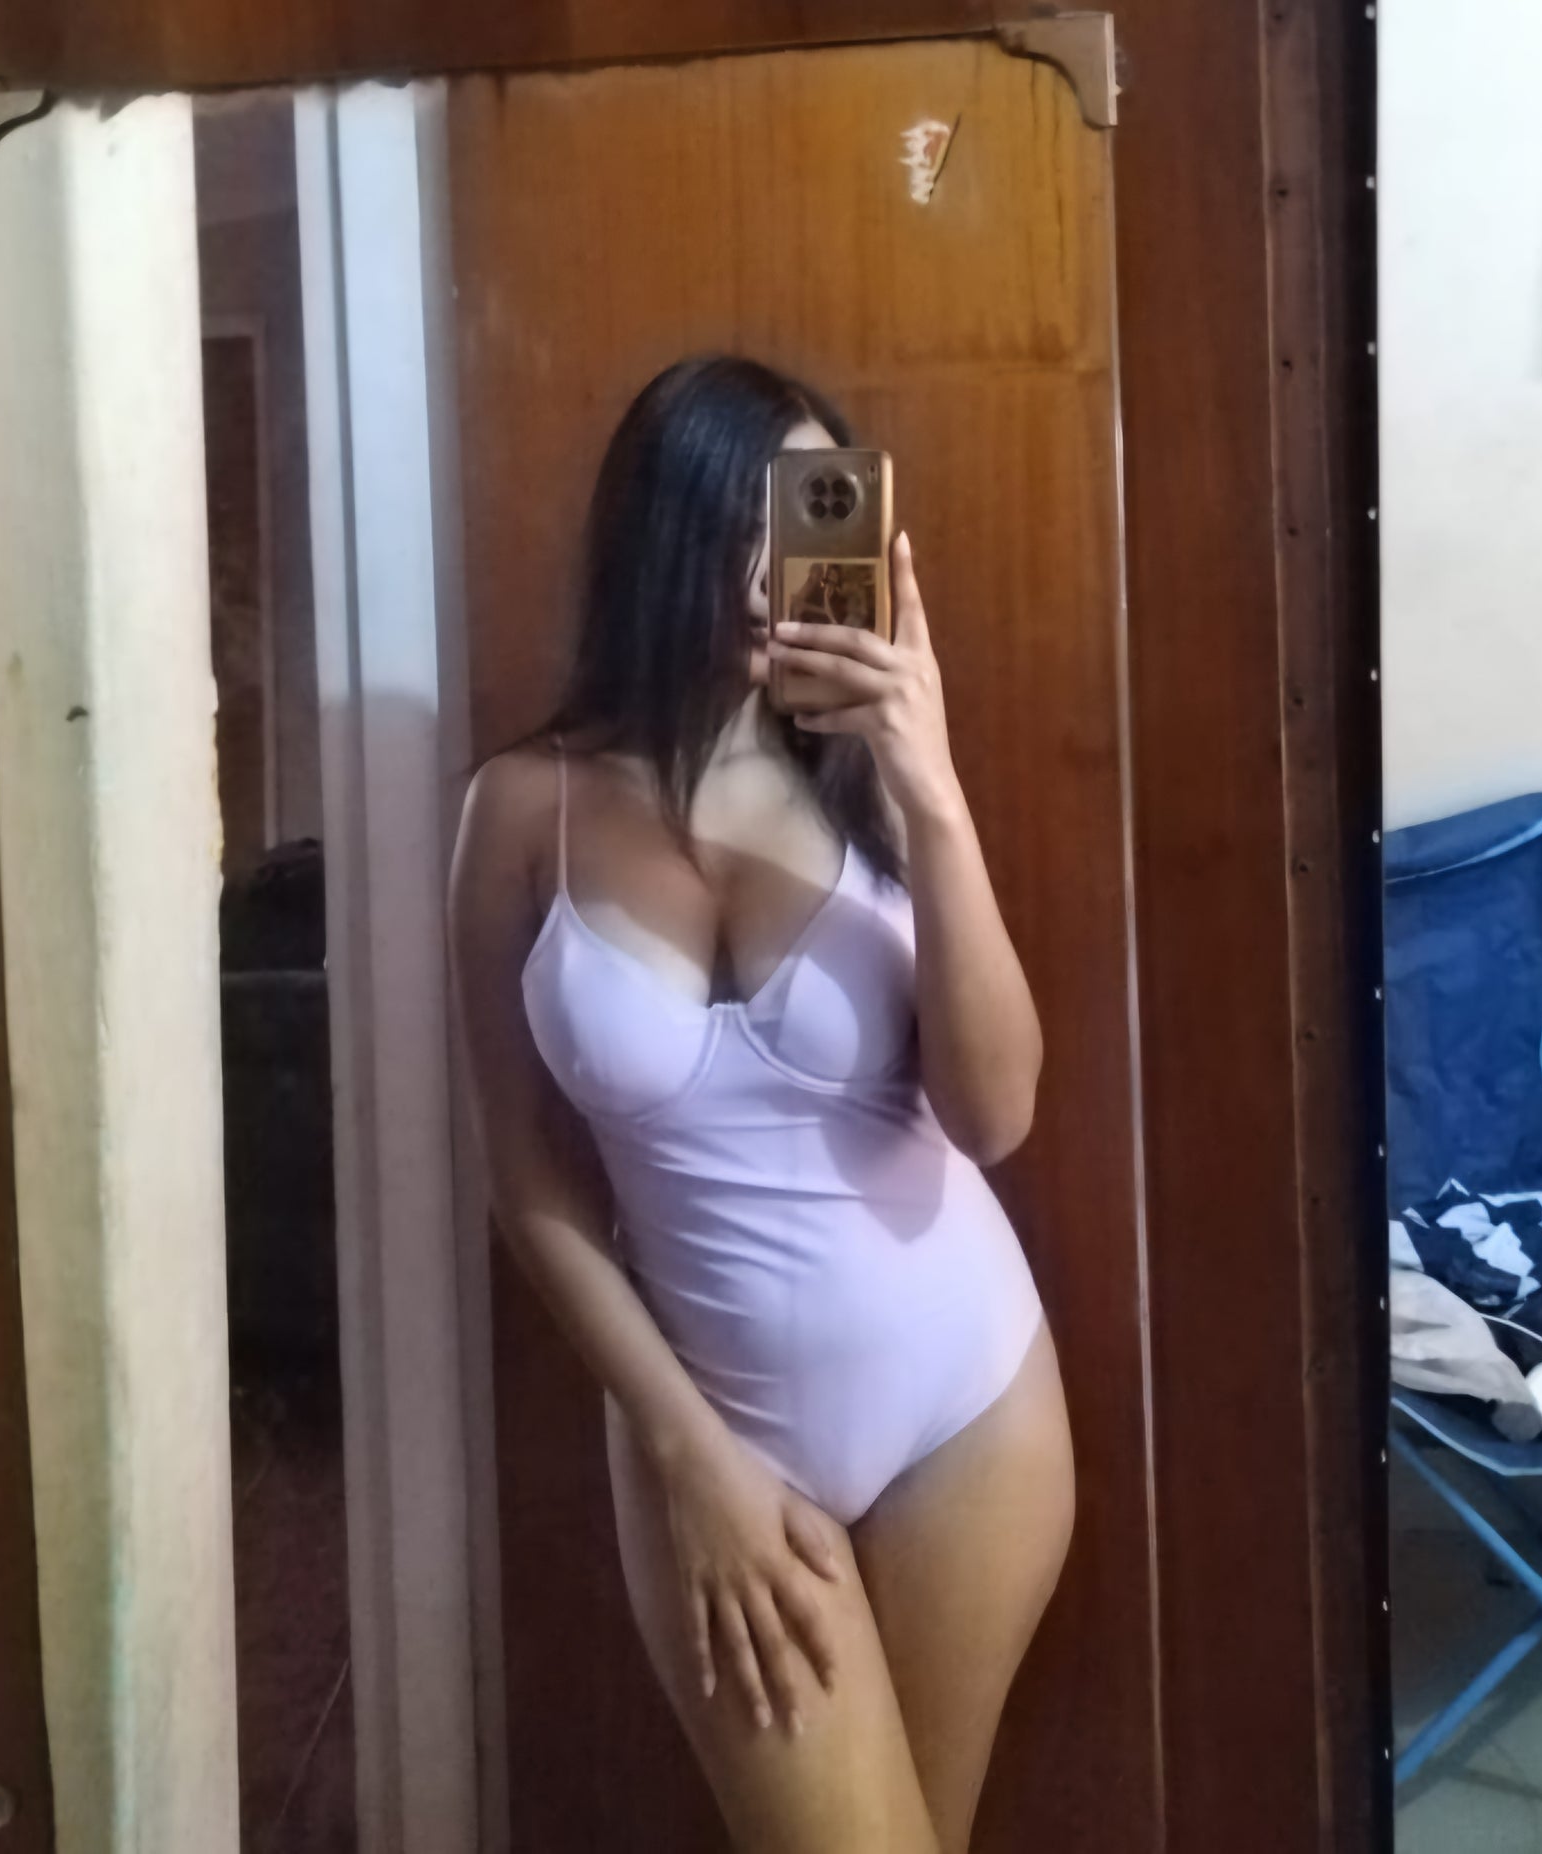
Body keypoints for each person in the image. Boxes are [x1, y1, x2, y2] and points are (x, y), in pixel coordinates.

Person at [448, 355, 1075, 1853]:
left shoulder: (869, 788)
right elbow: (528, 1179)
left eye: (799, 523)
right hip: (713, 1435)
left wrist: (930, 786)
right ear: (655, 529)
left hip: (969, 1408)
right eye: (732, 525)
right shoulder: (521, 810)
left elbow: (995, 1116)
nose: (762, 577)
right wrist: (688, 1457)